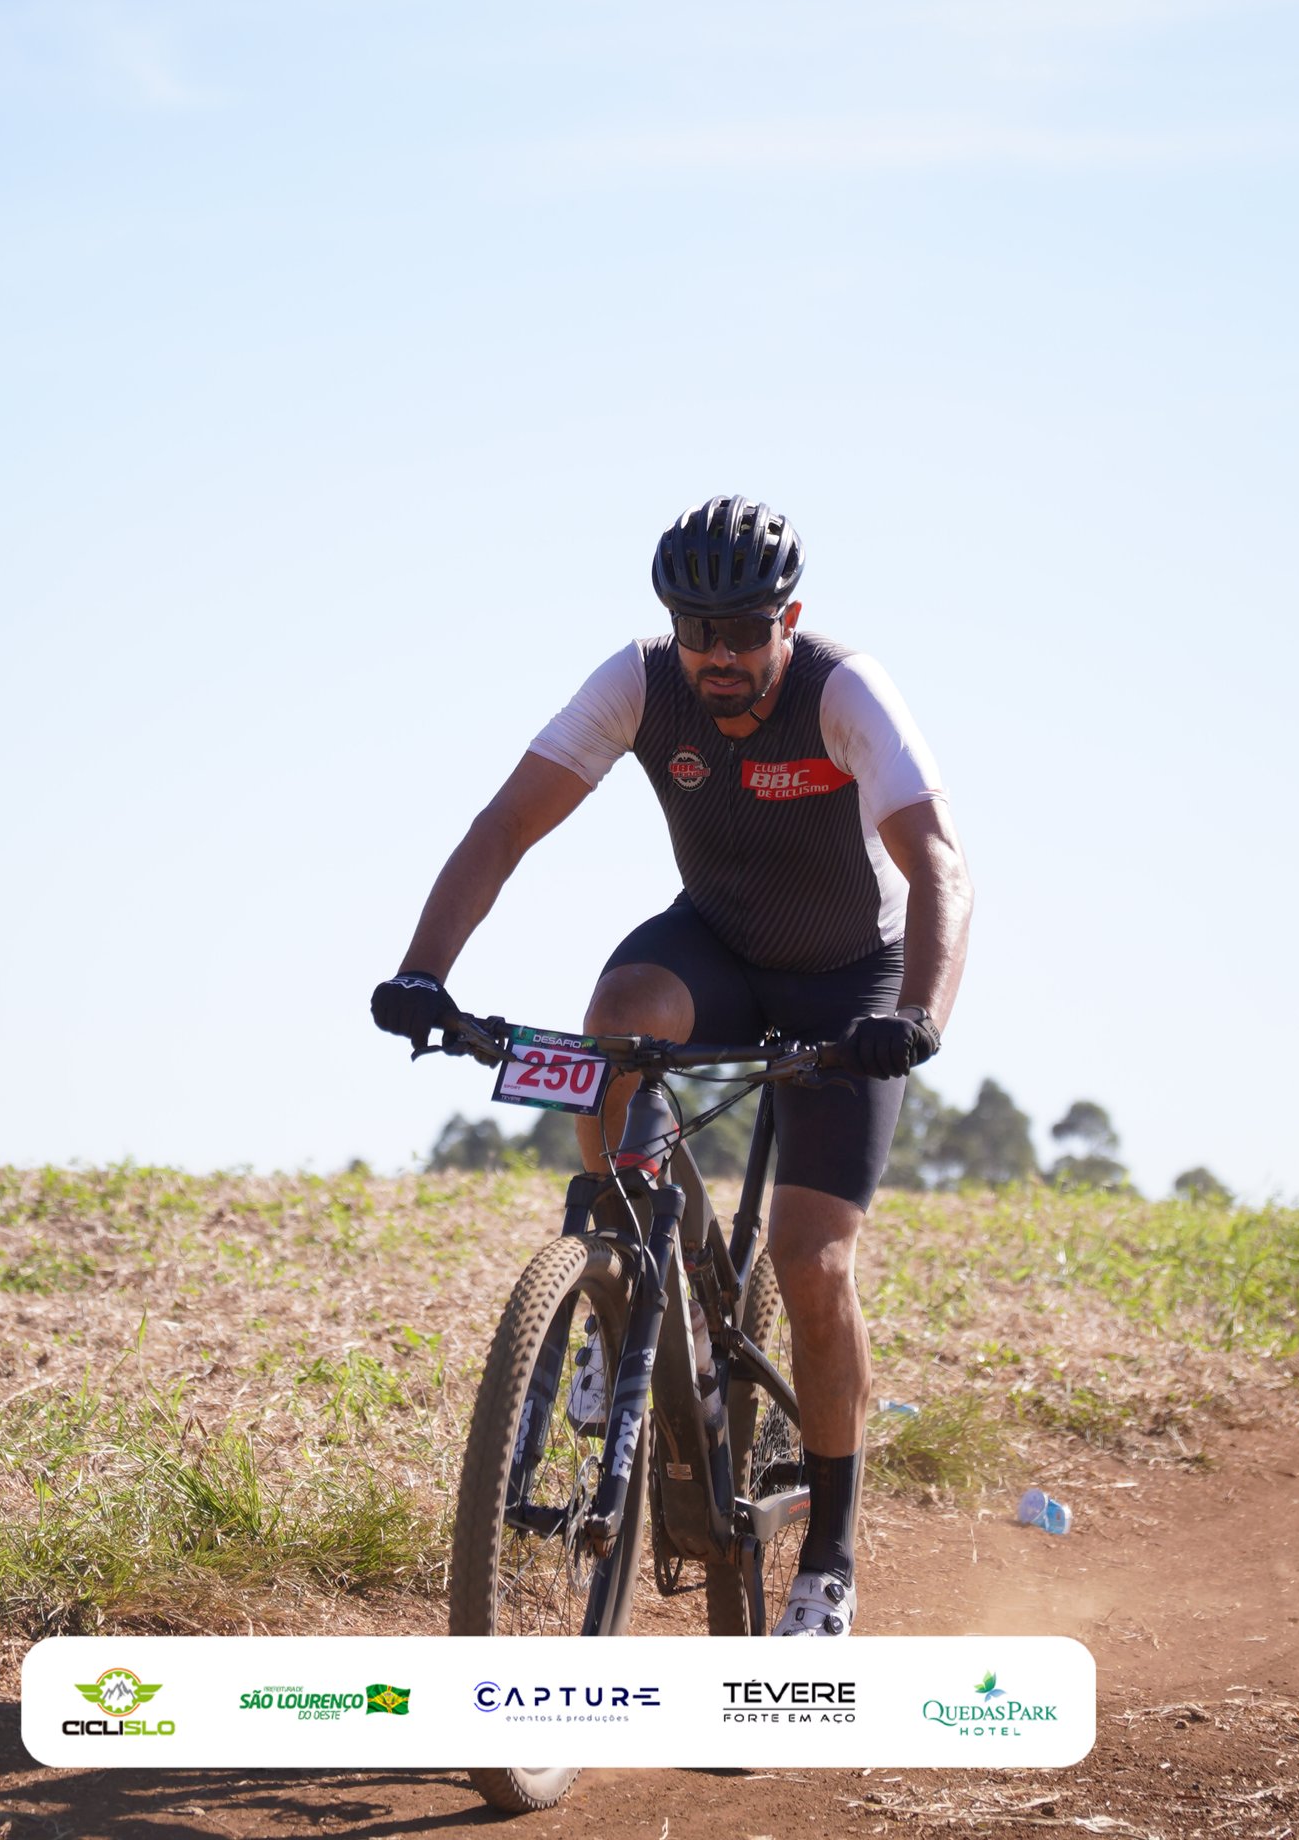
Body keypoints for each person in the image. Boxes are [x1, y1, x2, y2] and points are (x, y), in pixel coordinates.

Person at [371, 495, 972, 1637]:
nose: (718, 655)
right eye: (698, 631)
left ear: (787, 618)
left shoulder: (843, 691)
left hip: (851, 977)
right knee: (619, 1020)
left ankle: (830, 1557)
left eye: (743, 630)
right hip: (720, 946)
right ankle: (620, 1286)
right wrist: (421, 971)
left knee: (809, 1257)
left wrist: (917, 1017)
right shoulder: (642, 682)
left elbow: (939, 862)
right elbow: (505, 826)